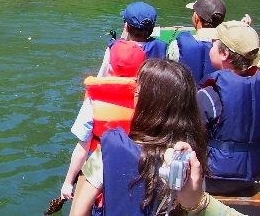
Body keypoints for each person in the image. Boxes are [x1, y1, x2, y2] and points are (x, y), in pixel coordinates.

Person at [70, 59, 210, 216]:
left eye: (137, 91)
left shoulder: (111, 147)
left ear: (144, 102)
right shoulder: (191, 161)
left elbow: (78, 213)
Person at [60, 40, 146, 199]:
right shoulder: (147, 100)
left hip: (99, 173)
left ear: (110, 68)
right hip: (135, 171)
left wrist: (68, 182)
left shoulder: (93, 101)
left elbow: (82, 148)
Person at [196, 21, 260, 195]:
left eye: (212, 44)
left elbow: (191, 131)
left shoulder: (212, 92)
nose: (209, 47)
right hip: (251, 175)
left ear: (223, 54)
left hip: (215, 178)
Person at [167, 0, 252, 86]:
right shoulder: (228, 49)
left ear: (196, 17)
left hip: (187, 97)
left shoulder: (177, 45)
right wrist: (242, 31)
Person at [97, 1, 167, 77]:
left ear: (126, 27)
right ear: (153, 28)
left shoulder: (114, 48)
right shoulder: (162, 49)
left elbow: (101, 78)